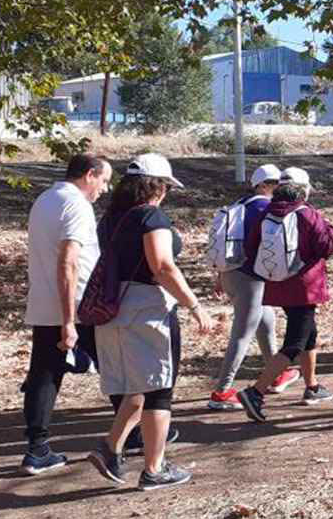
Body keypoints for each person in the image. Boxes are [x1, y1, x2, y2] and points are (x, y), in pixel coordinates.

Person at [86, 154, 213, 491]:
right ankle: (153, 468)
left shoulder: (110, 219)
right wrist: (195, 305)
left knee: (137, 387)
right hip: (148, 308)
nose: (167, 193)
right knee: (159, 390)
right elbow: (162, 266)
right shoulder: (151, 216)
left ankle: (111, 448)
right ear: (156, 186)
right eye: (167, 187)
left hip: (114, 307)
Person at [21, 153, 112, 474]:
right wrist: (69, 320)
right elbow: (68, 261)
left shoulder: (45, 199)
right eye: (103, 181)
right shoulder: (76, 205)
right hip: (78, 306)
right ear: (90, 175)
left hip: (47, 303)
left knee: (44, 377)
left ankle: (37, 449)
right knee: (114, 365)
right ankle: (131, 436)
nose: (104, 189)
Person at [235, 167, 333, 421]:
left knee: (308, 333)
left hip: (278, 284)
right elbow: (326, 247)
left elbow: (251, 247)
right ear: (303, 191)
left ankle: (312, 386)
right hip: (305, 285)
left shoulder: (267, 214)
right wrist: (330, 229)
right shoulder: (308, 214)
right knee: (294, 343)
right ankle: (255, 392)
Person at [207, 165, 300, 411]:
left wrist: (220, 276)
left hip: (231, 274)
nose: (278, 187)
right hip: (252, 280)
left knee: (266, 320)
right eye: (274, 183)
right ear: (263, 185)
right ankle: (221, 391)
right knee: (241, 335)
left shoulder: (240, 205)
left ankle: (278, 374)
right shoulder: (266, 209)